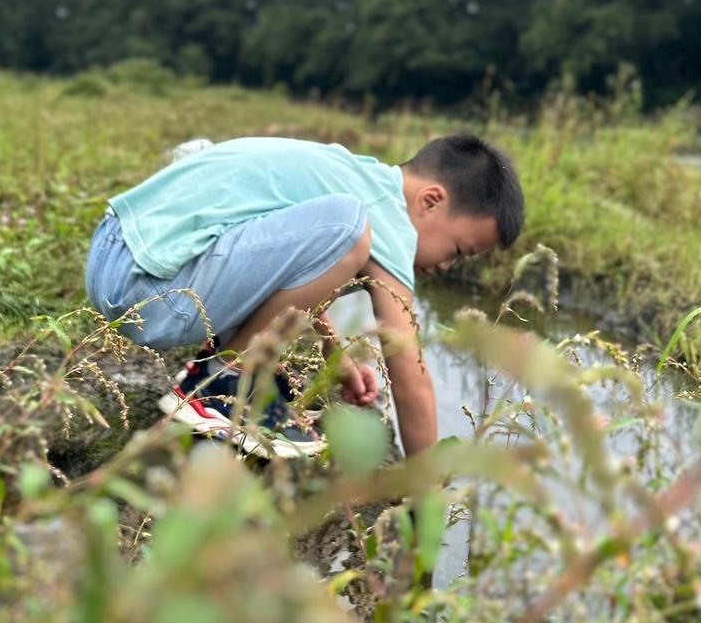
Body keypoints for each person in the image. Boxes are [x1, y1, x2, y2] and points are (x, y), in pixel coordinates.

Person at [85, 133, 523, 459]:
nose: (448, 265)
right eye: (459, 250)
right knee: (348, 226)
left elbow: (292, 268)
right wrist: (425, 494)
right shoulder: (384, 215)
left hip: (115, 253)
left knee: (341, 228)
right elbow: (409, 369)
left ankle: (228, 367)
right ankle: (226, 382)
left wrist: (336, 353)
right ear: (430, 201)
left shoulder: (352, 172)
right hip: (151, 291)